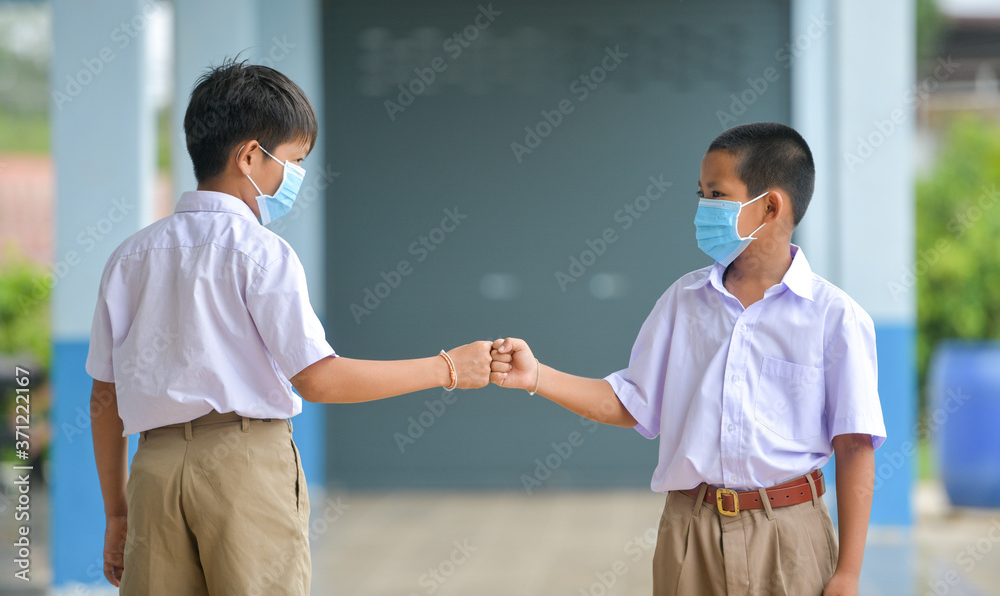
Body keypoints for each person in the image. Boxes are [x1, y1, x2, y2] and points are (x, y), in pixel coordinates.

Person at [86, 59, 492, 595]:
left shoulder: (130, 256)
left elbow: (105, 395)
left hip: (154, 470)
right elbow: (318, 379)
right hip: (244, 466)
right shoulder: (261, 252)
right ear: (250, 156)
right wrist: (448, 368)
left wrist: (117, 513)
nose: (294, 178)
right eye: (294, 161)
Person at [490, 122, 885, 596]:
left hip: (791, 537)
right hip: (689, 533)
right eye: (700, 194)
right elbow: (631, 402)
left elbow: (855, 446)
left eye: (716, 194)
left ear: (771, 205)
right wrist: (538, 376)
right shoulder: (683, 301)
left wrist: (848, 573)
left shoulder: (835, 318)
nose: (703, 210)